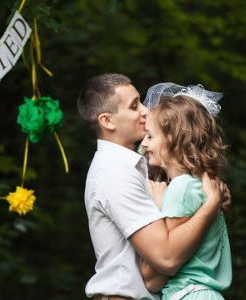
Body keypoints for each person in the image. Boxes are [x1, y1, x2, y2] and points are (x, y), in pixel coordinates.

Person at [77, 74, 228, 300]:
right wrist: (209, 206)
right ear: (107, 121)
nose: (146, 110)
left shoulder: (136, 166)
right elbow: (166, 258)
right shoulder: (115, 173)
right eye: (134, 106)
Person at [139, 83, 232, 300]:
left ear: (173, 140)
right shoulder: (197, 184)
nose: (144, 143)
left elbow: (153, 278)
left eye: (150, 136)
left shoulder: (180, 188)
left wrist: (157, 207)